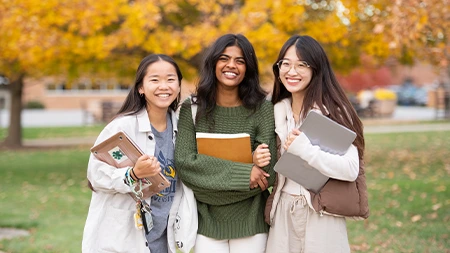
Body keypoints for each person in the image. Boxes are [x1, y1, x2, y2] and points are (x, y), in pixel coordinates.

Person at [174, 34, 277, 253]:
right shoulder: (191, 109)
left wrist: (210, 181)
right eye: (224, 58)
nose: (232, 65)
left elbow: (268, 173)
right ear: (213, 63)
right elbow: (185, 164)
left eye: (240, 61)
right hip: (205, 222)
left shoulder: (263, 109)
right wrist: (245, 173)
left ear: (248, 68)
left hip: (251, 221)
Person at [265, 35, 366, 253]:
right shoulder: (274, 112)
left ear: (316, 69)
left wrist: (305, 149)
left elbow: (350, 169)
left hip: (321, 214)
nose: (292, 72)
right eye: (286, 64)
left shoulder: (334, 112)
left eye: (302, 65)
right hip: (282, 211)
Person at [82, 54, 182, 253]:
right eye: (155, 80)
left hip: (163, 239)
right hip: (123, 239)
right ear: (141, 88)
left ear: (179, 85)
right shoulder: (122, 127)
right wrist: (133, 174)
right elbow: (96, 174)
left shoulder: (182, 127)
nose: (164, 86)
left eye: (171, 79)